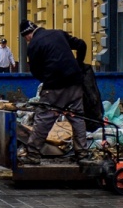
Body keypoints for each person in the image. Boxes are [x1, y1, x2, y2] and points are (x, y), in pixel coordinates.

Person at [18, 19, 88, 166]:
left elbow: (35, 71)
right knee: (77, 117)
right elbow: (81, 45)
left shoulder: (34, 45)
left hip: (54, 87)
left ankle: (33, 154)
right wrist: (79, 65)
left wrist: (47, 80)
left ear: (27, 35)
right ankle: (82, 153)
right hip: (75, 82)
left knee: (44, 117)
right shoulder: (58, 33)